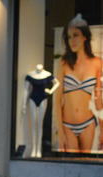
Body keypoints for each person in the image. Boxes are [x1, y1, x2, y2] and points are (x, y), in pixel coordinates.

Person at [53, 14, 103, 153]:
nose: (71, 41)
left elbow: (99, 101)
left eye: (75, 35)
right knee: (71, 165)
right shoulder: (64, 63)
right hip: (67, 125)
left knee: (85, 164)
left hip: (88, 124)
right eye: (69, 37)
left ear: (84, 37)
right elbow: (57, 100)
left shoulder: (97, 63)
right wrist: (60, 132)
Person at [22, 64, 59, 158]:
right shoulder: (30, 75)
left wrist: (50, 91)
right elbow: (26, 90)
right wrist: (23, 104)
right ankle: (33, 149)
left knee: (40, 124)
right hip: (32, 99)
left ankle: (38, 150)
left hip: (43, 99)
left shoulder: (47, 74)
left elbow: (57, 83)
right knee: (34, 124)